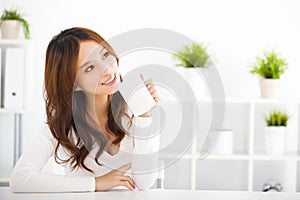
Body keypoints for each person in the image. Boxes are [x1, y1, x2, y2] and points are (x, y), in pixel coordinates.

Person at [10, 27, 160, 192]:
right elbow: (20, 179)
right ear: (73, 84)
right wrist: (96, 183)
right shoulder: (61, 124)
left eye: (105, 55)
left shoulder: (132, 107)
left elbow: (145, 183)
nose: (107, 70)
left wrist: (145, 115)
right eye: (89, 68)